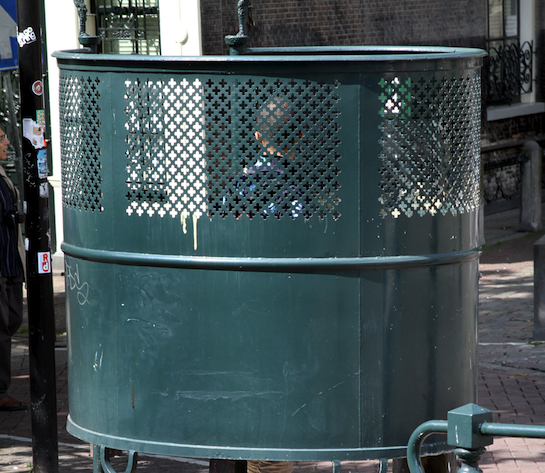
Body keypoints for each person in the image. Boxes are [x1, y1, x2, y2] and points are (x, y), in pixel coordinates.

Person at [0, 128, 26, 411]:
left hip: (11, 264)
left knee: (12, 321)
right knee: (2, 330)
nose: (7, 142)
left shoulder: (3, 177)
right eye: (2, 138)